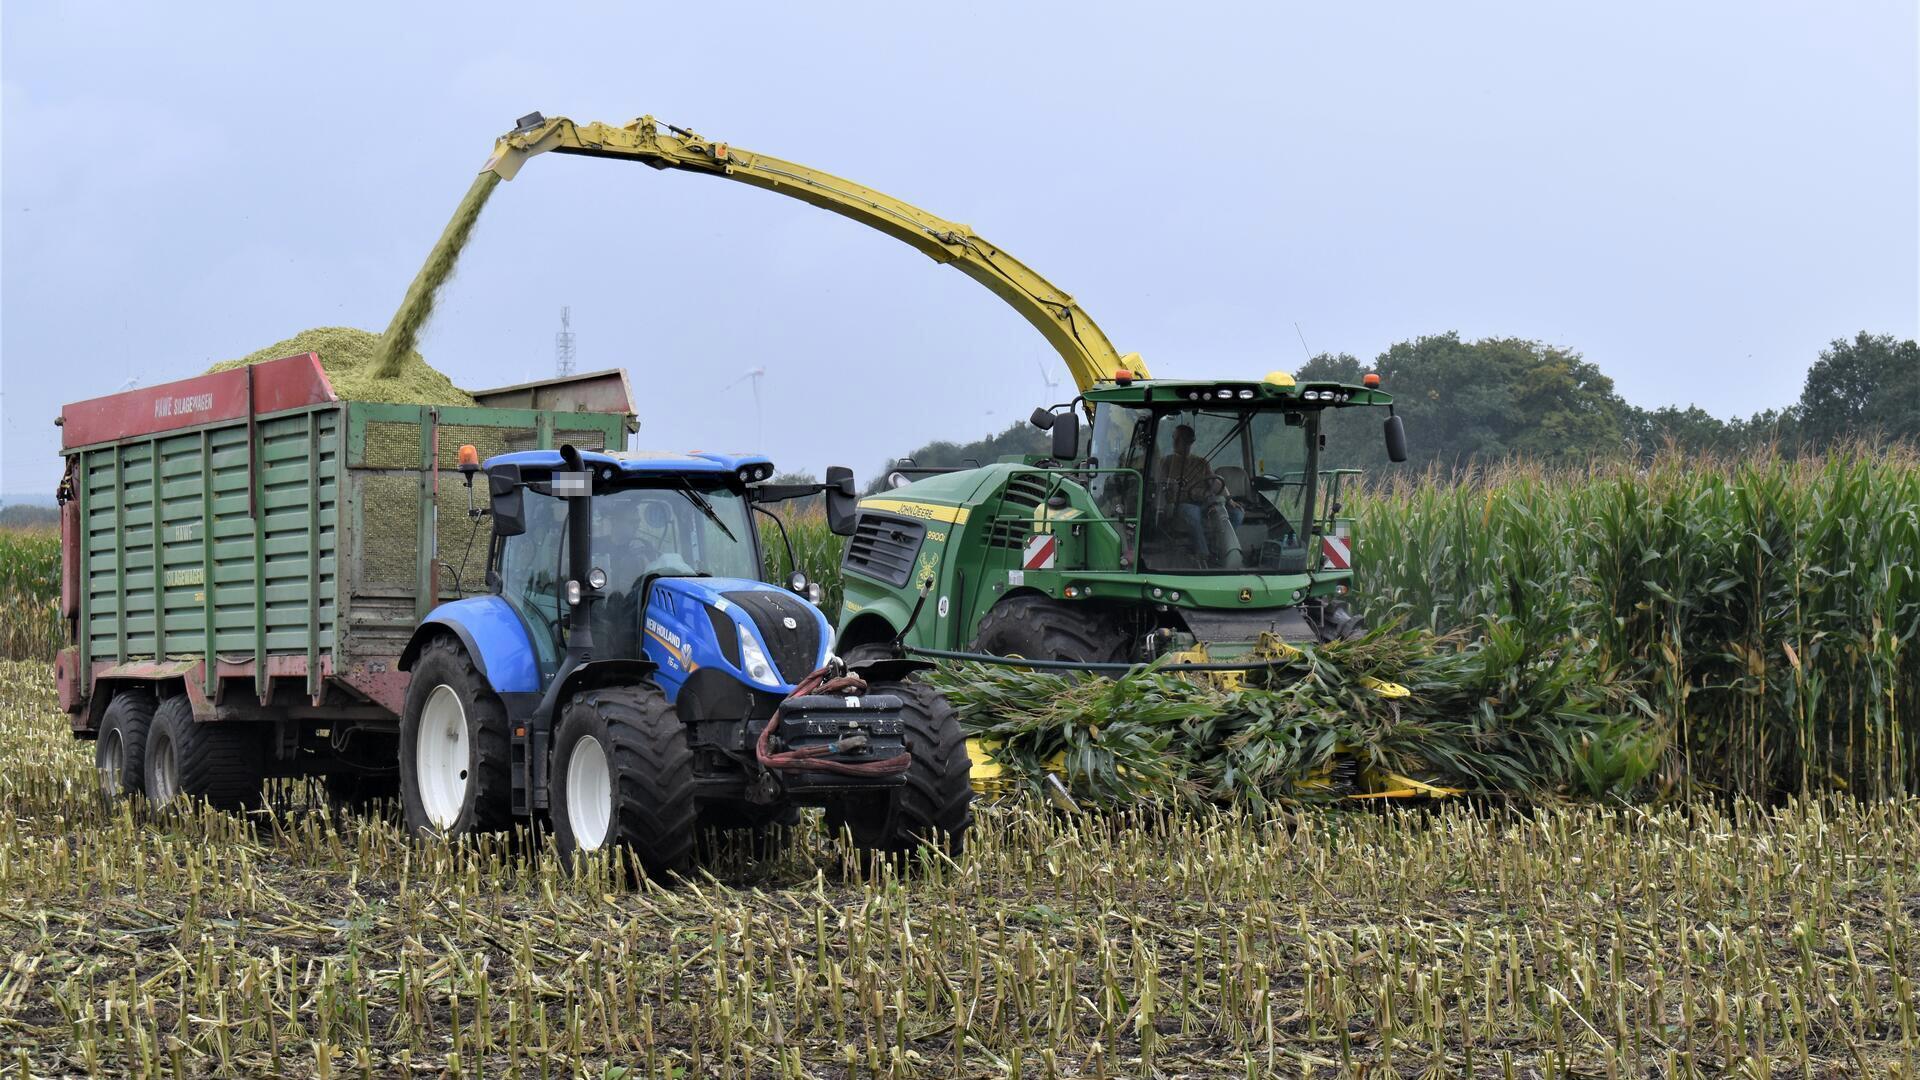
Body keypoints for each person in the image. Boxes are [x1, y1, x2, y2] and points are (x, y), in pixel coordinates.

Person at [1158, 423, 1243, 565]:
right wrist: (1171, 484)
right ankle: (1203, 553)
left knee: (1236, 513)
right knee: (1193, 512)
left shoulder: (1201, 462)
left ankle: (1220, 547)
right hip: (1180, 504)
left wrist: (1229, 499)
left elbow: (1215, 481)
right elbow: (1161, 482)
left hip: (1204, 503)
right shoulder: (1167, 461)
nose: (1181, 442)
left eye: (1186, 440)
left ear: (1190, 441)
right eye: (1179, 439)